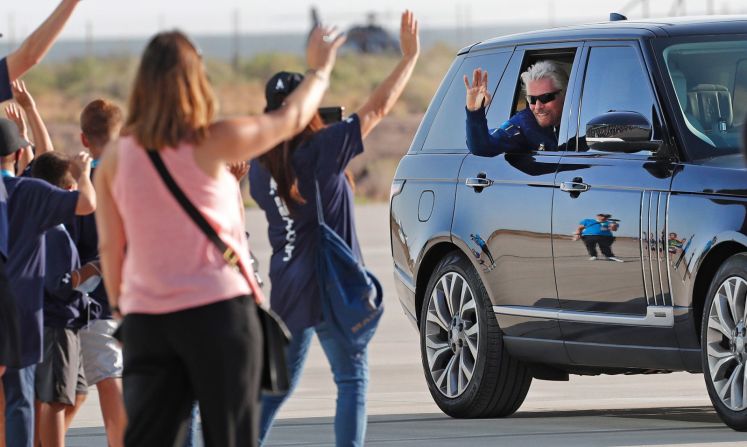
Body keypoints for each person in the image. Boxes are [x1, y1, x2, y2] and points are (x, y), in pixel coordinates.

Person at [93, 26, 344, 447]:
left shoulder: (116, 158)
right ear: (196, 82)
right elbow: (290, 119)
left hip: (148, 321)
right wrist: (319, 71)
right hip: (219, 315)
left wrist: (125, 310)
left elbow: (110, 247)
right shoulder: (213, 141)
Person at [250, 10, 419, 446]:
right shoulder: (322, 151)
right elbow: (378, 109)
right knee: (351, 379)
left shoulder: (257, 166)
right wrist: (408, 57)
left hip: (288, 284)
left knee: (276, 387)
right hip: (331, 284)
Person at [0, 4, 84, 442]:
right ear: (16, 156)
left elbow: (48, 166)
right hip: (29, 308)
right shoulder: (30, 194)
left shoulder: (27, 190)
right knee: (24, 395)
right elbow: (30, 54)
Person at [32, 152, 97, 446]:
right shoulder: (54, 232)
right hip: (57, 322)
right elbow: (59, 284)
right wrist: (91, 270)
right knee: (55, 401)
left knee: (77, 392)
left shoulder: (39, 219)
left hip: (52, 321)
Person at [73, 99, 127, 447]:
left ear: (83, 139)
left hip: (95, 302)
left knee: (107, 382)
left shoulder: (82, 185)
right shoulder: (139, 178)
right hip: (142, 299)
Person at [464, 60, 568, 156]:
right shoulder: (524, 124)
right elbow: (482, 146)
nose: (537, 106)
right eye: (532, 99)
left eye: (545, 97)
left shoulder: (581, 117)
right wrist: (475, 113)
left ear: (565, 95)